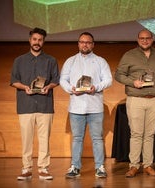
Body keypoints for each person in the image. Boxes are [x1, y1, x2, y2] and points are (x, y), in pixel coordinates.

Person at [60, 32, 112, 179]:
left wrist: (96, 87)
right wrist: (71, 89)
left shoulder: (100, 61)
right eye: (82, 42)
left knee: (97, 138)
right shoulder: (70, 61)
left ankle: (100, 167)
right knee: (77, 138)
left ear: (93, 44)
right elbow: (63, 79)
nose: (85, 44)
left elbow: (108, 79)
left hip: (95, 106)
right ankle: (75, 167)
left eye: (88, 42)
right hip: (76, 107)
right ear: (78, 44)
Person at [10, 27, 60, 180]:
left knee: (44, 138)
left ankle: (43, 168)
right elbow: (14, 81)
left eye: (40, 40)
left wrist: (48, 87)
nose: (37, 42)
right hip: (26, 105)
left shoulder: (51, 60)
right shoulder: (19, 60)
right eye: (34, 39)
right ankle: (26, 169)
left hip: (45, 105)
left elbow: (55, 81)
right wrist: (24, 87)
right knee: (26, 139)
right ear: (30, 40)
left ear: (43, 41)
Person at [115, 29, 155, 178]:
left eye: (148, 38)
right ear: (137, 40)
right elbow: (118, 74)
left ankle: (148, 165)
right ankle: (134, 166)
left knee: (150, 135)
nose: (145, 41)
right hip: (135, 99)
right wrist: (132, 82)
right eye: (142, 38)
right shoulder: (129, 55)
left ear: (152, 39)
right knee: (136, 134)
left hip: (154, 100)